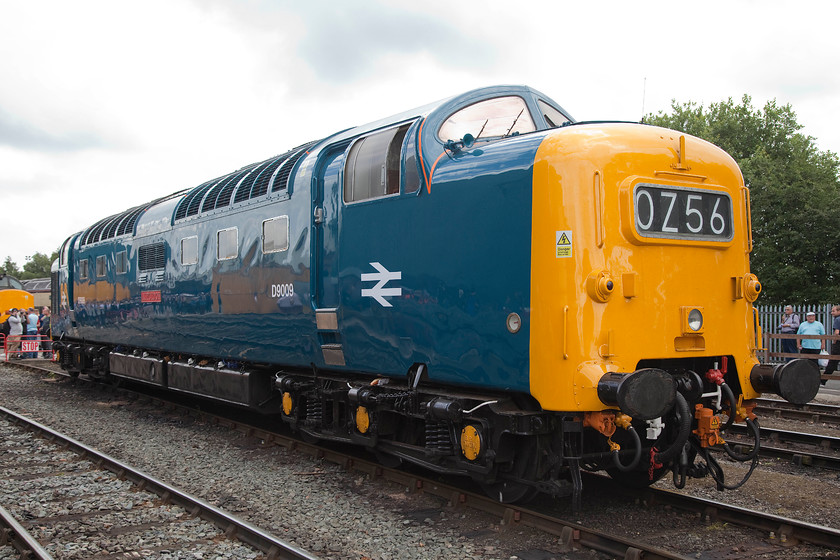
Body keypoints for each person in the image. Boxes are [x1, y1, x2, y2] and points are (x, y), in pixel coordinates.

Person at [823, 305, 840, 379]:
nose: (832, 313)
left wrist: (834, 341)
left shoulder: (838, 319)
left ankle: (823, 379)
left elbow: (836, 332)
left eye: (833, 311)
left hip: (838, 343)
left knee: (833, 361)